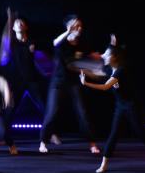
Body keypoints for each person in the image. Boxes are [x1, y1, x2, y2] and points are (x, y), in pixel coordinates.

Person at [80, 43, 145, 173]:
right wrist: (87, 69)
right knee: (113, 135)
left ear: (115, 57)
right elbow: (99, 71)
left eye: (107, 55)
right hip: (120, 106)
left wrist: (85, 83)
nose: (104, 56)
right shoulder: (109, 68)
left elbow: (105, 87)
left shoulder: (121, 70)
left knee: (143, 135)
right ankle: (103, 165)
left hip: (132, 106)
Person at [39, 15, 100, 154]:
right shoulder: (62, 42)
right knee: (52, 112)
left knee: (82, 113)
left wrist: (96, 58)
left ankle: (92, 143)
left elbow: (87, 56)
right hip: (58, 82)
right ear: (69, 27)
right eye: (76, 26)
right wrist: (68, 32)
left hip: (73, 82)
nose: (79, 28)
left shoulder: (82, 43)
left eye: (80, 26)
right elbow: (55, 43)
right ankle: (43, 142)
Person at [0, 8, 59, 142]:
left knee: (44, 108)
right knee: (11, 109)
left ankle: (51, 134)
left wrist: (41, 59)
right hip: (17, 82)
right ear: (13, 28)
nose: (19, 24)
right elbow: (5, 39)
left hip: (32, 81)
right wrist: (9, 19)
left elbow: (43, 60)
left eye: (21, 22)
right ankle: (6, 137)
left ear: (26, 27)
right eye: (16, 23)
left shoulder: (32, 43)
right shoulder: (12, 43)